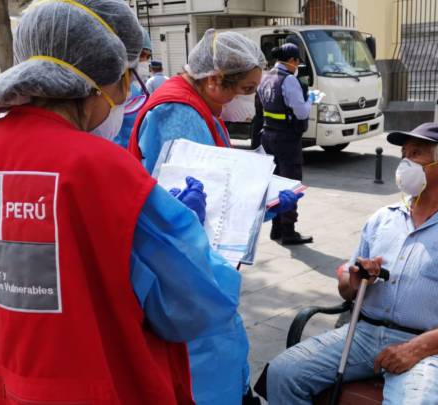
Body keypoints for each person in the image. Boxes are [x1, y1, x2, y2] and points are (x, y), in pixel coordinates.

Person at [0, 1, 239, 403]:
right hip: (105, 385)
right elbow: (194, 306)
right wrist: (187, 238)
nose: (125, 94)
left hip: (8, 382)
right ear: (94, 84)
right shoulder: (102, 169)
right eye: (123, 81)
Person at [266, 123, 438, 404]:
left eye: (416, 154)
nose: (405, 162)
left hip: (428, 346)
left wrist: (414, 349)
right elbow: (347, 285)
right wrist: (353, 280)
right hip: (362, 333)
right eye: (404, 154)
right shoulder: (383, 218)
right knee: (282, 373)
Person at [127, 28, 296, 405]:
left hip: (198, 270)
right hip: (188, 277)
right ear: (216, 79)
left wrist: (260, 203)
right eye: (246, 90)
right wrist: (255, 206)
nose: (247, 101)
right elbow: (194, 209)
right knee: (206, 370)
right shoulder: (178, 111)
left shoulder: (200, 105)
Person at [258, 43, 314, 245]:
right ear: (291, 61)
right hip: (287, 139)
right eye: (297, 61)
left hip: (268, 135)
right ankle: (288, 232)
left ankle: (276, 228)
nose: (297, 65)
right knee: (290, 183)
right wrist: (312, 100)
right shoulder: (289, 80)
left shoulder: (266, 77)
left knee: (274, 182)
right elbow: (302, 112)